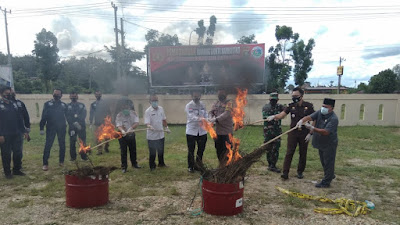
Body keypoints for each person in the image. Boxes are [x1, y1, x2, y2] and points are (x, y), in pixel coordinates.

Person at [267, 87, 314, 180]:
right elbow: (282, 115)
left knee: (303, 153)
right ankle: (285, 173)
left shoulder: (308, 106)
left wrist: (311, 132)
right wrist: (274, 117)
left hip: (304, 132)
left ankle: (300, 172)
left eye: (296, 96)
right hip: (293, 132)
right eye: (293, 96)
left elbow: (315, 118)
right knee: (289, 152)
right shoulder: (291, 106)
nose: (294, 98)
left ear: (302, 96)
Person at [297, 98, 338, 188]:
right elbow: (310, 117)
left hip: (329, 143)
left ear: (332, 108)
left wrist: (312, 128)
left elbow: (325, 132)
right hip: (320, 143)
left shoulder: (333, 119)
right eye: (323, 106)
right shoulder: (320, 112)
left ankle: (326, 182)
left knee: (328, 162)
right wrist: (302, 120)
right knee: (324, 161)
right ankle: (330, 174)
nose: (323, 108)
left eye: (326, 107)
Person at [0, 86, 27, 178]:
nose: (8, 95)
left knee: (18, 152)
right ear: (1, 94)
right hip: (5, 134)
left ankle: (17, 169)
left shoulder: (14, 104)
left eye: (9, 93)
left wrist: (24, 131)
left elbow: (20, 118)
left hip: (17, 133)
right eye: (6, 94)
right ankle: (7, 173)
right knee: (6, 154)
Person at [40, 89, 67, 171]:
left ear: (61, 96)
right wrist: (41, 127)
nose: (56, 95)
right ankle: (45, 164)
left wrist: (73, 125)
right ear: (52, 94)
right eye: (55, 94)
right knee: (48, 145)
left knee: (62, 145)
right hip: (51, 127)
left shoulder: (64, 105)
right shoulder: (47, 104)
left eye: (58, 94)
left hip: (61, 127)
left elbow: (68, 116)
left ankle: (61, 161)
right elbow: (44, 116)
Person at [144, 94, 170, 171]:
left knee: (161, 150)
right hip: (152, 136)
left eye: (156, 100)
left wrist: (166, 127)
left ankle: (161, 163)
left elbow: (164, 119)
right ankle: (152, 166)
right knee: (152, 152)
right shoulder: (148, 111)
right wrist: (149, 126)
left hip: (160, 134)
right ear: (150, 102)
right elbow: (147, 123)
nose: (155, 102)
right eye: (153, 100)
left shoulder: (161, 109)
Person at [209, 88, 233, 165]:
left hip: (227, 132)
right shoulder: (215, 103)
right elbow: (211, 112)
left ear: (226, 94)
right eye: (219, 93)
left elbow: (226, 114)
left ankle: (228, 166)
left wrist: (215, 119)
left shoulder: (229, 103)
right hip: (218, 132)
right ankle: (221, 165)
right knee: (218, 149)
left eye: (222, 93)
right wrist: (210, 118)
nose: (220, 94)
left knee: (227, 150)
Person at [185, 90, 208, 173]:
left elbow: (206, 114)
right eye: (195, 96)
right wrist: (202, 119)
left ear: (200, 96)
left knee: (201, 149)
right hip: (191, 131)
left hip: (202, 131)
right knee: (191, 150)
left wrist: (207, 119)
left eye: (198, 96)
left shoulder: (202, 104)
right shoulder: (189, 105)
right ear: (192, 96)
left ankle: (198, 165)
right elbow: (191, 117)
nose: (196, 98)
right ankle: (190, 166)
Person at [116, 100, 140, 173]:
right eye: (123, 107)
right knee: (123, 151)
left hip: (131, 134)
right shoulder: (119, 115)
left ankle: (134, 163)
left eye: (126, 106)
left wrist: (131, 128)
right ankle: (124, 167)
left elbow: (136, 122)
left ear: (129, 107)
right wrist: (122, 130)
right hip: (122, 135)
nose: (125, 108)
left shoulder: (133, 113)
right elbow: (119, 125)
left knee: (133, 150)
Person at [262, 92, 285, 173]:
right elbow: (265, 117)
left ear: (278, 100)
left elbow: (286, 111)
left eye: (275, 100)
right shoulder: (265, 107)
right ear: (269, 99)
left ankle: (273, 165)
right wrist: (274, 117)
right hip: (268, 131)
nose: (273, 101)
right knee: (268, 148)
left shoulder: (280, 107)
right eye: (272, 100)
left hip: (277, 131)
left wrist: (279, 116)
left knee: (276, 148)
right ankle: (270, 164)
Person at [66, 92, 87, 161]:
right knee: (72, 142)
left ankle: (83, 157)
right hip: (72, 127)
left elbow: (84, 115)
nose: (73, 97)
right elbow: (67, 116)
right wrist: (73, 124)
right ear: (70, 97)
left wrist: (78, 123)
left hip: (81, 126)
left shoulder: (82, 105)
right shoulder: (67, 106)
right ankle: (73, 157)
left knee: (83, 142)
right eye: (72, 96)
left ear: (77, 97)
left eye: (75, 96)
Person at [11, 89, 31, 160]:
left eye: (13, 91)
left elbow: (26, 117)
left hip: (19, 131)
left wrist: (27, 129)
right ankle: (7, 170)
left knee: (18, 151)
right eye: (9, 91)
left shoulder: (20, 103)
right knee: (6, 152)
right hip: (6, 132)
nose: (12, 93)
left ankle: (17, 168)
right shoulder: (2, 104)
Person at [89, 91, 111, 155]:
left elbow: (109, 112)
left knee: (107, 137)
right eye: (96, 94)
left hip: (105, 123)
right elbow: (91, 114)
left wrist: (109, 121)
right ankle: (99, 150)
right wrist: (90, 122)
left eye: (99, 94)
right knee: (98, 137)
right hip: (97, 123)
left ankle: (106, 147)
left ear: (101, 95)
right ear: (95, 95)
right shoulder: (93, 104)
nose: (98, 95)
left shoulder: (105, 103)